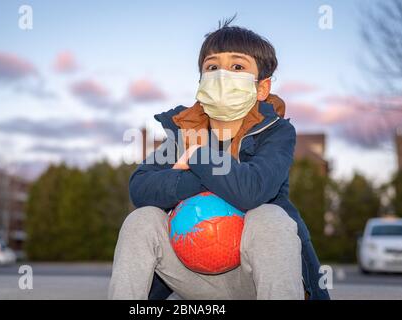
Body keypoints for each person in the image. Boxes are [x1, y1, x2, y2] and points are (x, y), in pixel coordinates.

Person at [108, 17, 330, 300]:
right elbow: (140, 188)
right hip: (194, 274)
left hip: (253, 279)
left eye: (237, 67)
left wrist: (197, 157)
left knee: (270, 216)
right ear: (201, 82)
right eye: (212, 67)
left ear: (262, 87)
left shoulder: (276, 133)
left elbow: (252, 191)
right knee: (142, 219)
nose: (223, 75)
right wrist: (204, 176)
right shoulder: (184, 131)